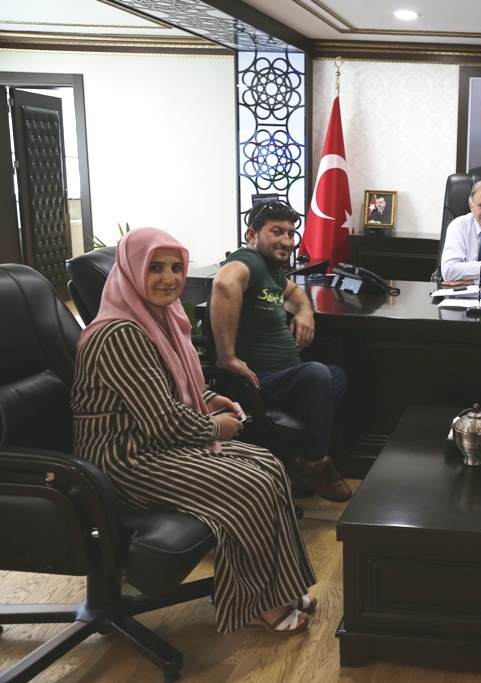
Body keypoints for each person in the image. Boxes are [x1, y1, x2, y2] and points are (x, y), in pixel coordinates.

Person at [72, 228, 317, 634]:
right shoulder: (118, 334)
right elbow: (163, 420)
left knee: (268, 466)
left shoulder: (161, 318)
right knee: (250, 484)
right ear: (131, 272)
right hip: (124, 461)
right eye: (155, 268)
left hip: (154, 444)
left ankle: (279, 588)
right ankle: (257, 602)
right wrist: (215, 426)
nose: (169, 278)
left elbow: (169, 384)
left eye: (176, 268)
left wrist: (208, 397)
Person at [210, 201, 352, 503]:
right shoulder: (249, 261)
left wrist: (305, 311)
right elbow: (224, 283)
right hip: (254, 382)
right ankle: (315, 460)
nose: (287, 241)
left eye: (290, 233)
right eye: (277, 232)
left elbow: (294, 291)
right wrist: (227, 357)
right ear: (252, 235)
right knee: (317, 374)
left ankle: (294, 460)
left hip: (281, 378)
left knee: (336, 375)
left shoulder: (270, 270)